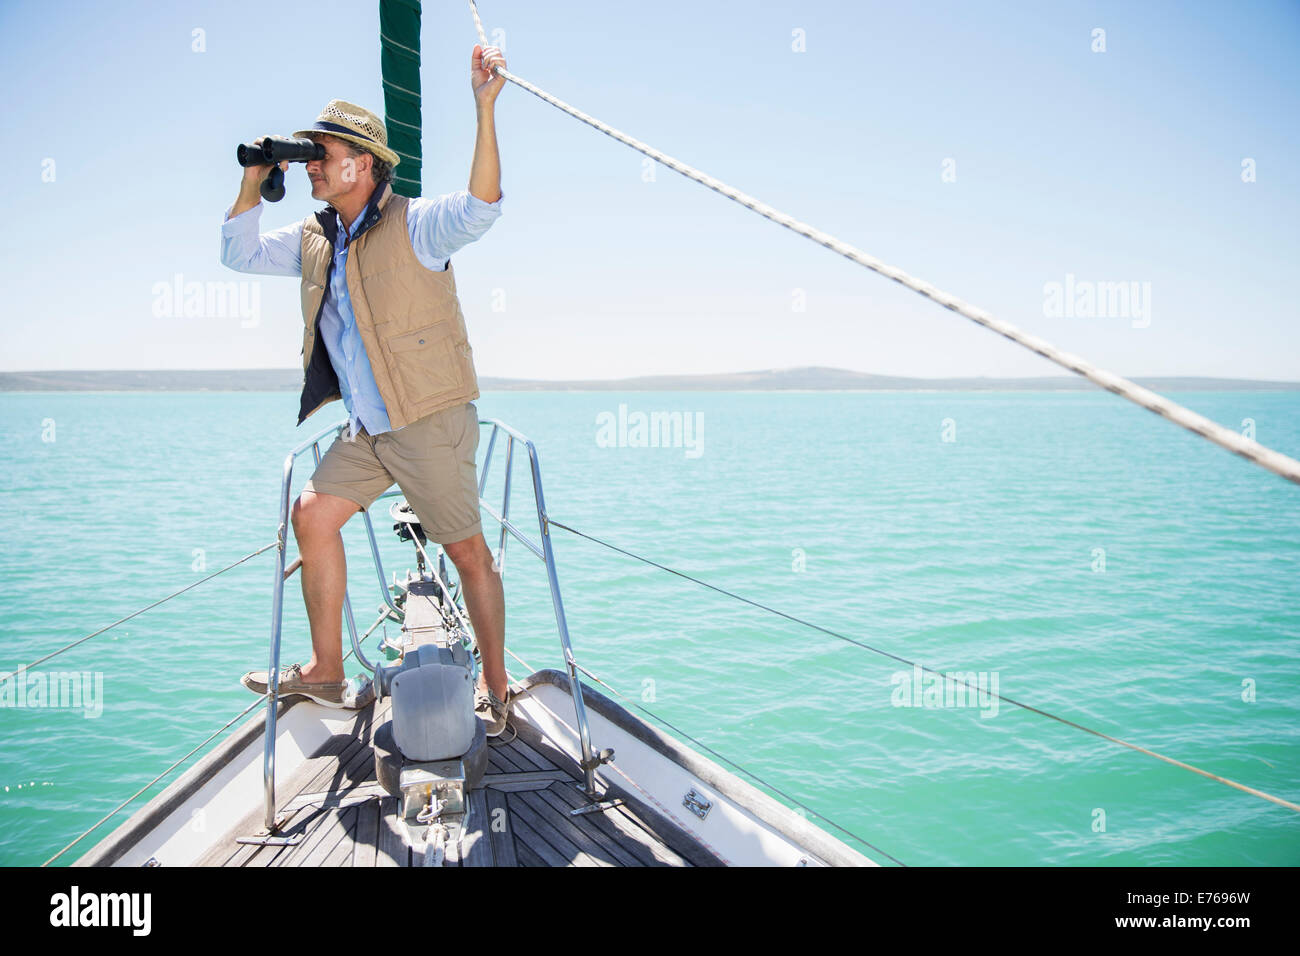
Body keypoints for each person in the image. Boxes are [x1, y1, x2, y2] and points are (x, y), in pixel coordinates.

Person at [219, 45, 513, 735]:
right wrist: (255, 180)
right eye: (309, 155)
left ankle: (497, 688)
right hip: (368, 431)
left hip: (429, 422)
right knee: (313, 514)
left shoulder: (419, 224)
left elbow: (482, 205)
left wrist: (484, 107)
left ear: (365, 162)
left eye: (320, 154)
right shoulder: (315, 238)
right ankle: (325, 671)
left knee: (467, 553)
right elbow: (237, 253)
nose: (313, 165)